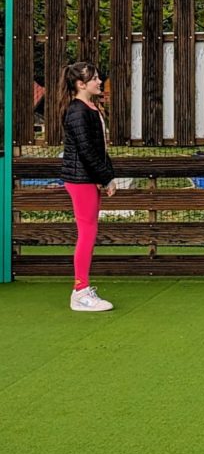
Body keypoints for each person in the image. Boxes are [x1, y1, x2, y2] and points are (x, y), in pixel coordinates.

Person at [59, 61, 116, 312]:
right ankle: (80, 291)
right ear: (81, 84)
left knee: (89, 232)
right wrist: (105, 177)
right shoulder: (77, 111)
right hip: (80, 180)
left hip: (88, 178)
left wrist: (108, 175)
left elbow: (100, 149)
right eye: (93, 78)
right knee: (87, 233)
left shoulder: (91, 107)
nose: (99, 81)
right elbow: (87, 151)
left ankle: (82, 289)